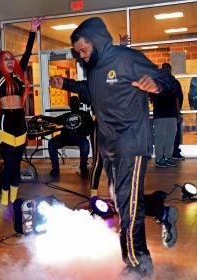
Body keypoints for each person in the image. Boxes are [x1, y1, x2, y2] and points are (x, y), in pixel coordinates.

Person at [50, 17, 175, 278]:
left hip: (132, 142)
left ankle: (138, 262)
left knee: (128, 209)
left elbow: (167, 81)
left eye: (83, 50)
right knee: (124, 204)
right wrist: (68, 85)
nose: (81, 56)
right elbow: (91, 90)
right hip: (109, 147)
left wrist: (158, 86)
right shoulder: (93, 68)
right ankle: (162, 210)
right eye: (77, 52)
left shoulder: (126, 59)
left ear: (96, 42)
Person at [0, 13, 45, 218]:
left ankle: (14, 198)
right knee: (10, 163)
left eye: (11, 59)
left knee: (17, 163)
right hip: (6, 122)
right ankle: (5, 198)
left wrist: (33, 30)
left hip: (20, 123)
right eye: (6, 59)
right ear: (0, 62)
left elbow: (26, 53)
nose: (10, 61)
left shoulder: (18, 75)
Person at [33, 95, 93, 177]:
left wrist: (84, 133)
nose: (73, 104)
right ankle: (55, 169)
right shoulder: (66, 115)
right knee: (51, 143)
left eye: (75, 102)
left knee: (85, 144)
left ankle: (83, 168)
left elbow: (91, 126)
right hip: (65, 137)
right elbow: (54, 120)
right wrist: (41, 116)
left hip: (79, 137)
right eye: (72, 103)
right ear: (70, 105)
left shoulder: (85, 114)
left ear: (79, 104)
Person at [149, 62, 179, 168]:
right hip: (160, 115)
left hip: (171, 115)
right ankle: (159, 159)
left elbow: (177, 99)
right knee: (160, 138)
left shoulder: (174, 82)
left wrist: (178, 114)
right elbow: (151, 97)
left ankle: (168, 158)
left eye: (167, 70)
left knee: (170, 138)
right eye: (164, 70)